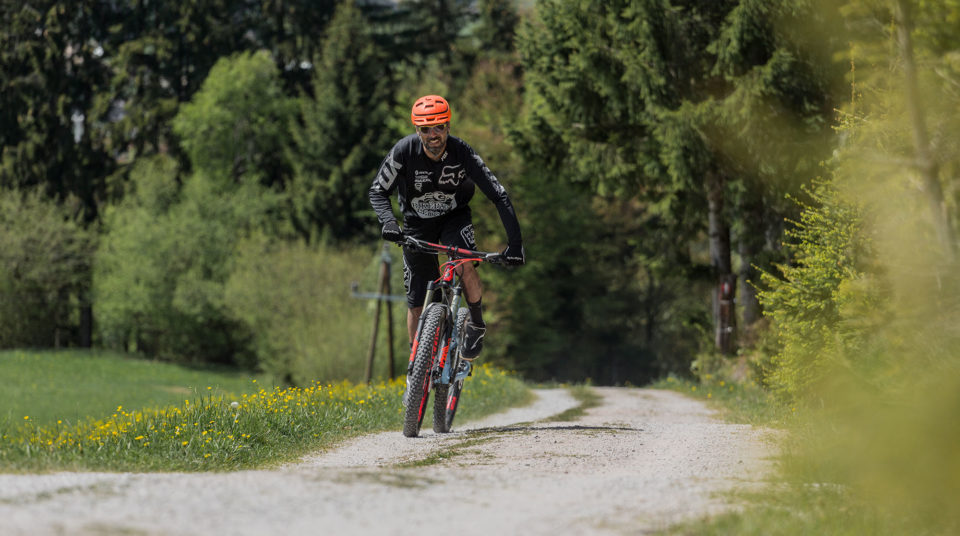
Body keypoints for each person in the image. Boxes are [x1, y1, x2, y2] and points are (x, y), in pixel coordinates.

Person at [369, 94, 524, 361]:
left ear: (448, 126)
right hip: (416, 223)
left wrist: (515, 244)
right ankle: (416, 366)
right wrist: (389, 223)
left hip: (455, 218)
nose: (433, 135)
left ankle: (476, 323)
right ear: (417, 130)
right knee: (417, 298)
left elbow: (499, 195)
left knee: (463, 262)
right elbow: (377, 191)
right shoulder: (404, 151)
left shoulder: (462, 152)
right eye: (425, 129)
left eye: (439, 127)